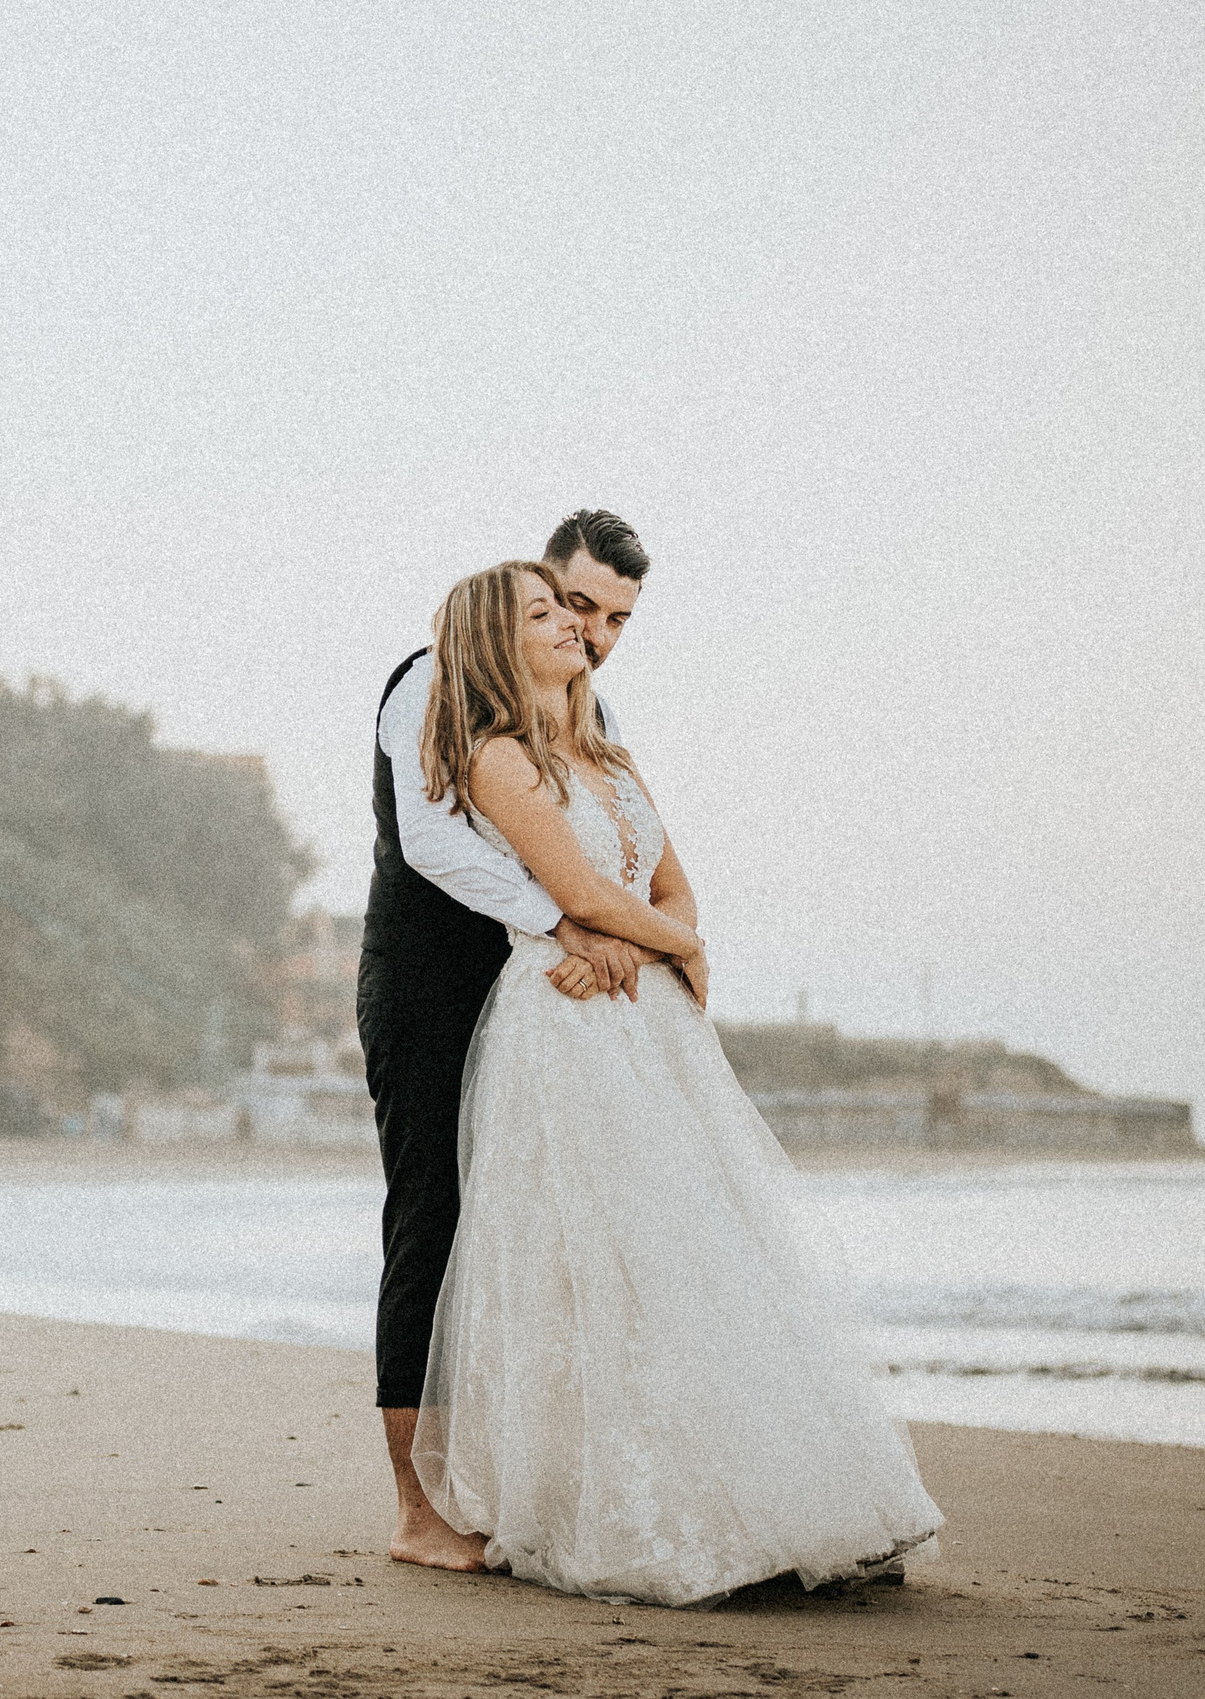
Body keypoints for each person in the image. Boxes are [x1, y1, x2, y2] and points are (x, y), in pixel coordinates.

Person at [408, 559, 942, 1605]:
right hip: (569, 1020)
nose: (571, 623)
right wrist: (675, 951)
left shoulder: (611, 756)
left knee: (705, 1244)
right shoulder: (496, 760)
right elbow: (574, 891)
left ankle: (783, 1491)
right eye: (543, 612)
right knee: (603, 1258)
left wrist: (662, 943)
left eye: (572, 610)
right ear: (494, 641)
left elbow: (669, 889)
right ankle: (643, 1511)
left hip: (645, 1017)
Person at [356, 508, 657, 1570]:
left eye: (615, 619)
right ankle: (415, 1509)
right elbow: (434, 842)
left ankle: (519, 1477)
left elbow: (613, 847)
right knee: (431, 1224)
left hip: (546, 1002)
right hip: (431, 991)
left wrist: (611, 936)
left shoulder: (583, 703)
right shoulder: (427, 682)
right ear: (535, 583)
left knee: (547, 1235)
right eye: (575, 605)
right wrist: (562, 919)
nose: (592, 634)